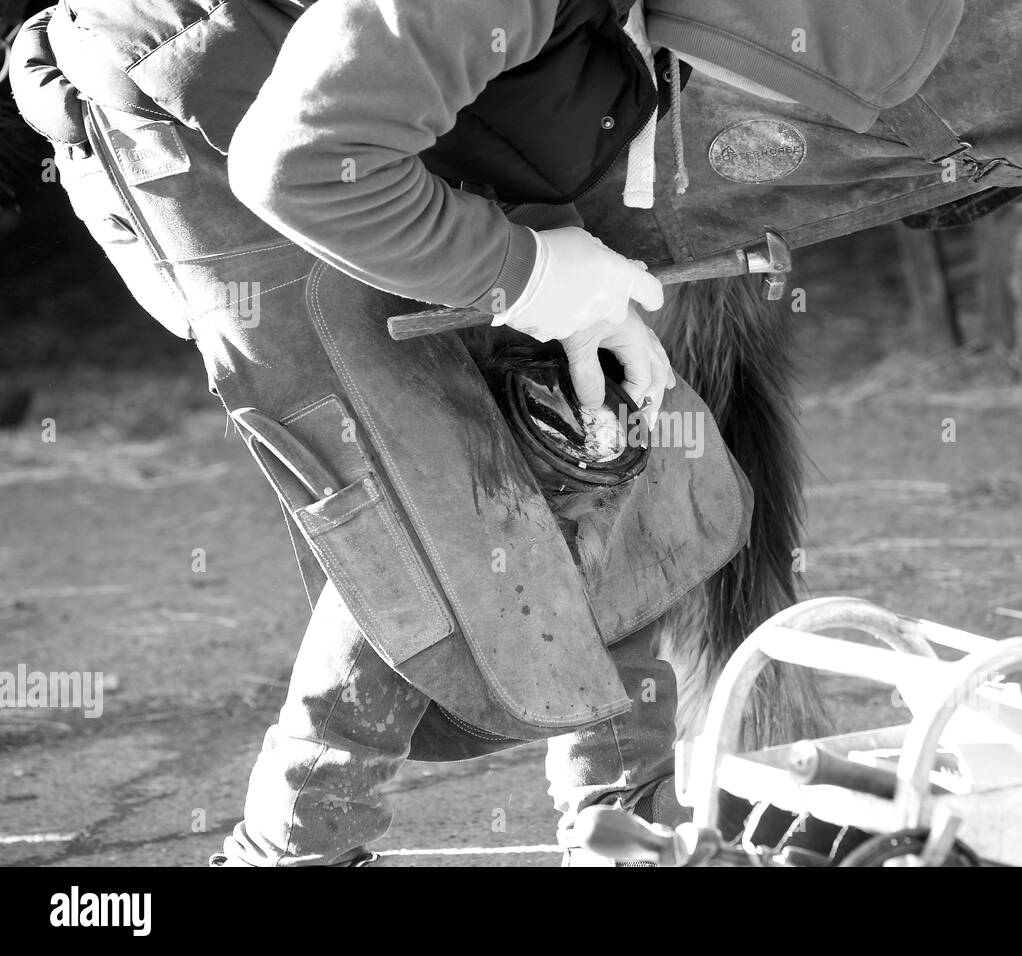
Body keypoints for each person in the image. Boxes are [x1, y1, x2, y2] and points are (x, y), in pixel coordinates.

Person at [12, 0, 959, 866]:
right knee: (425, 496)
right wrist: (535, 276)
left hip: (389, 96)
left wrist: (564, 290)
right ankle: (292, 844)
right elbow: (296, 164)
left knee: (594, 420)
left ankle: (629, 818)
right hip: (206, 101)